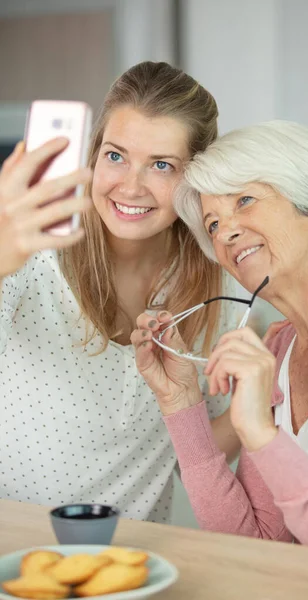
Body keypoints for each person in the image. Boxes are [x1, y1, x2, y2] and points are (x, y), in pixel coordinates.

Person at [132, 120, 308, 557]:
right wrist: (180, 402)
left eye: (246, 200)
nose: (227, 232)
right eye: (213, 224)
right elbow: (255, 542)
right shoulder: (277, 348)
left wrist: (261, 433)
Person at [0, 61, 240, 522]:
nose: (130, 186)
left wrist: (275, 390)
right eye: (115, 156)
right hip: (17, 557)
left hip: (132, 568)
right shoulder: (30, 256)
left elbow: (199, 458)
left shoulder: (215, 286)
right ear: (92, 155)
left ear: (197, 178)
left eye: (162, 165)